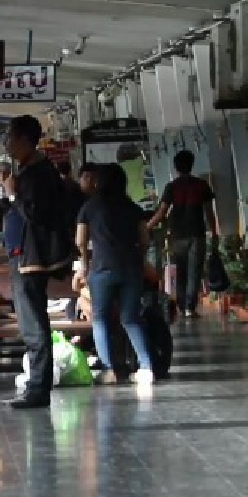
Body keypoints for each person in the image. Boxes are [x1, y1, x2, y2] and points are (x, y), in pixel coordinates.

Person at [2, 115, 76, 409]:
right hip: (25, 255)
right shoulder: (32, 170)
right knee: (31, 322)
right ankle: (36, 385)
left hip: (31, 258)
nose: (7, 145)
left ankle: (38, 388)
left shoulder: (36, 174)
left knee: (33, 324)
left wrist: (11, 195)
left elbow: (34, 214)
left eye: (10, 138)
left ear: (23, 140)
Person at [75, 164, 155, 384]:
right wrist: (139, 258)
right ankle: (146, 367)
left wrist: (85, 263)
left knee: (100, 319)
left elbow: (80, 240)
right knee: (130, 318)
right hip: (131, 269)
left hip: (101, 269)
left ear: (100, 182)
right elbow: (145, 240)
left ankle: (109, 369)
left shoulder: (89, 207)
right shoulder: (133, 207)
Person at [148, 150, 219, 317]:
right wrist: (214, 231)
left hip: (178, 235)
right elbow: (209, 212)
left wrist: (147, 227)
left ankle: (181, 305)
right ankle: (189, 308)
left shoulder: (172, 187)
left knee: (181, 270)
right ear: (191, 165)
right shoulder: (202, 185)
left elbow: (162, 212)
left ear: (176, 167)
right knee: (195, 270)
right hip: (197, 234)